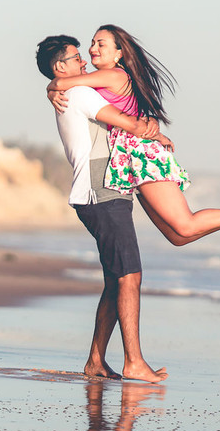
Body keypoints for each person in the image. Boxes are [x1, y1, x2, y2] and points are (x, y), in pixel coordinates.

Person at [48, 25, 220, 246]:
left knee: (185, 225)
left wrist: (51, 90)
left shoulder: (113, 75)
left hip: (141, 155)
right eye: (92, 43)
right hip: (129, 158)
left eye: (101, 44)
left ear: (118, 53)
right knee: (177, 237)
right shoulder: (104, 79)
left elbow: (63, 82)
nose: (92, 49)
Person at [36, 34, 168, 383]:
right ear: (60, 67)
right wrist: (154, 131)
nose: (84, 62)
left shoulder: (69, 90)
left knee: (115, 280)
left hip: (105, 192)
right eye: (76, 58)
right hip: (101, 193)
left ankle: (96, 360)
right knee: (130, 276)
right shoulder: (79, 93)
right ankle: (134, 361)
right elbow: (128, 124)